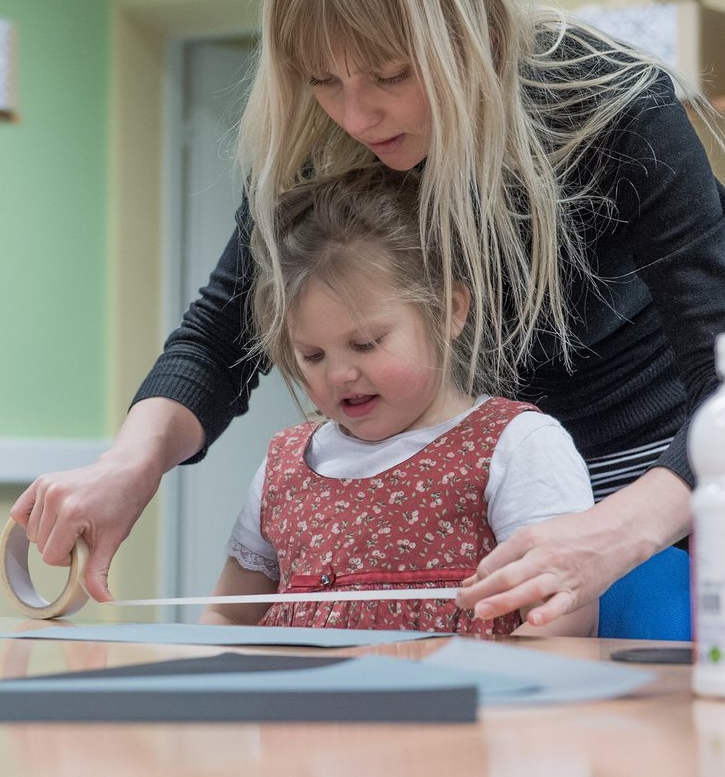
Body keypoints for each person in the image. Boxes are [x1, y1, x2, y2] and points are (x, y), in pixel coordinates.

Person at [12, 0, 725, 630]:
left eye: (390, 73)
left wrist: (621, 528)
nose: (355, 116)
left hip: (656, 496)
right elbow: (219, 335)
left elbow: (722, 369)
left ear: (480, 31)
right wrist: (130, 463)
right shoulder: (307, 143)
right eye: (322, 80)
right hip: (469, 529)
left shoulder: (613, 108)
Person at [199, 167, 597, 636]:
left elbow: (563, 618)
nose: (340, 374)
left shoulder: (518, 447)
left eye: (366, 343)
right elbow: (227, 612)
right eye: (312, 355)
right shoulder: (284, 464)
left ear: (450, 309)